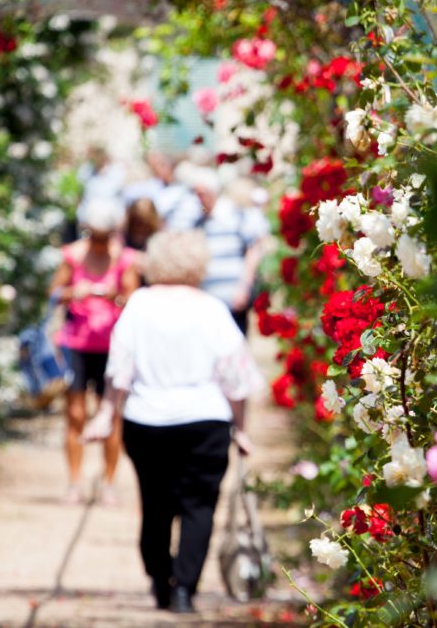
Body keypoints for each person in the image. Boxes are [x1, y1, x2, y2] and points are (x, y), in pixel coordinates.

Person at [104, 230, 261, 613]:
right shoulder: (212, 308)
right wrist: (240, 429)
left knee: (154, 504)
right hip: (204, 421)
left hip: (147, 420)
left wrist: (107, 413)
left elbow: (119, 367)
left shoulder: (138, 304)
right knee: (199, 505)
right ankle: (184, 590)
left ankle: (160, 579)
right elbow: (235, 376)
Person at [49, 197, 140, 505]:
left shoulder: (125, 259)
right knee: (75, 414)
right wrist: (75, 292)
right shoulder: (72, 256)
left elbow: (134, 297)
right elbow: (54, 293)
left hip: (111, 347)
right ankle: (74, 481)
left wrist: (115, 296)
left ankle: (108, 482)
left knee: (111, 414)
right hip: (76, 343)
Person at [169, 165, 269, 335]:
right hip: (205, 304)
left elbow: (253, 249)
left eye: (202, 193)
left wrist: (244, 287)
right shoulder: (195, 221)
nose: (198, 199)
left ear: (213, 192)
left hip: (232, 300)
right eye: (195, 193)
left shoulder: (234, 215)